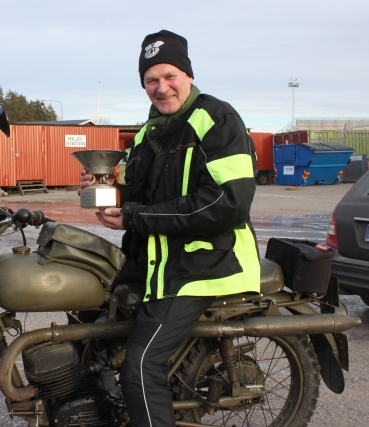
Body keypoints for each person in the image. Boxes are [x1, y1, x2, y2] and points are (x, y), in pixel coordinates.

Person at [79, 29, 261, 426]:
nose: (161, 88)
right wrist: (105, 193)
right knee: (89, 325)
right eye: (151, 80)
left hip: (203, 265)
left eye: (169, 76)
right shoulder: (148, 132)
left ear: (188, 75)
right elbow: (139, 194)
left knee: (142, 366)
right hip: (155, 262)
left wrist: (135, 216)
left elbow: (228, 203)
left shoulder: (217, 119)